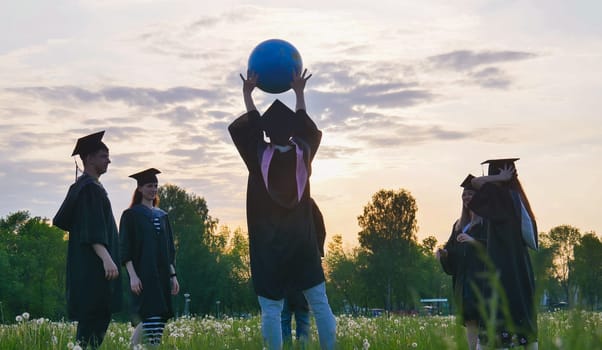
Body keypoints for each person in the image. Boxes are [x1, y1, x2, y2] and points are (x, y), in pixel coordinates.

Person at [229, 69, 336, 350]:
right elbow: (305, 128)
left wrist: (247, 95)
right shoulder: (303, 154)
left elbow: (250, 128)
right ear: (290, 132)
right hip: (302, 242)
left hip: (269, 246)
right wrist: (299, 92)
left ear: (266, 133)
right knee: (319, 303)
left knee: (272, 310)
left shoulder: (258, 158)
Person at [53, 131, 122, 349]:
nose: (108, 160)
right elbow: (91, 228)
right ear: (89, 158)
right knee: (93, 325)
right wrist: (106, 258)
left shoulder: (82, 187)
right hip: (95, 268)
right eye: (103, 156)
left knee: (91, 325)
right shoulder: (90, 189)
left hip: (87, 267)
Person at [467, 158, 538, 349]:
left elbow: (475, 183)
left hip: (501, 264)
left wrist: (498, 177)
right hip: (519, 264)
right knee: (520, 303)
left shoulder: (501, 198)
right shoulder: (517, 198)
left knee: (499, 306)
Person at [119, 168, 180, 348]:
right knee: (149, 315)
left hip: (162, 275)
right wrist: (133, 276)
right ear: (139, 188)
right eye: (149, 186)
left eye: (155, 186)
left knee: (160, 316)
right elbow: (125, 248)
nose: (153, 189)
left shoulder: (162, 216)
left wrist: (173, 276)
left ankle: (147, 347)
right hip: (143, 274)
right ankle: (135, 347)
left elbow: (169, 249)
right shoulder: (131, 215)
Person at [437, 174, 487, 350]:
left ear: (479, 197)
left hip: (481, 281)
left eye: (471, 194)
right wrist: (444, 255)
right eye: (464, 195)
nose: (467, 197)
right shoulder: (459, 225)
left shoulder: (486, 223)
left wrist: (472, 241)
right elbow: (452, 254)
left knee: (484, 321)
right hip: (463, 283)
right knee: (471, 321)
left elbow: (494, 250)